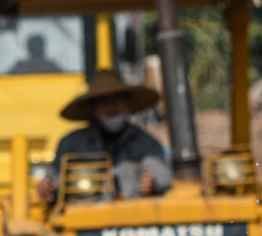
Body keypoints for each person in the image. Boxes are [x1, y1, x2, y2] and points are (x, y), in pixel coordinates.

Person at [37, 67, 172, 201]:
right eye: (104, 101)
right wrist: (48, 187)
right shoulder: (71, 143)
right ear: (93, 106)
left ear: (127, 102)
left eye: (116, 99)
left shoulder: (145, 142)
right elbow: (55, 177)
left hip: (133, 217)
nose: (111, 106)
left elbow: (161, 173)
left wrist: (152, 182)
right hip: (83, 216)